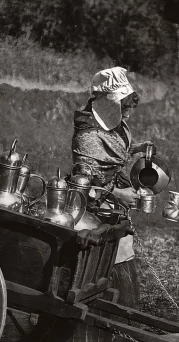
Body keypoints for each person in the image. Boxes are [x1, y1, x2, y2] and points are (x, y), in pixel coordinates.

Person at [70, 67, 153, 308]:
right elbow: (84, 181)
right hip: (93, 207)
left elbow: (113, 154)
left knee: (122, 251)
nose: (126, 116)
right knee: (108, 258)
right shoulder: (88, 134)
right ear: (107, 102)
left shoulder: (110, 122)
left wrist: (136, 148)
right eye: (123, 109)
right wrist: (118, 194)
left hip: (112, 202)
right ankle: (115, 314)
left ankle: (122, 311)